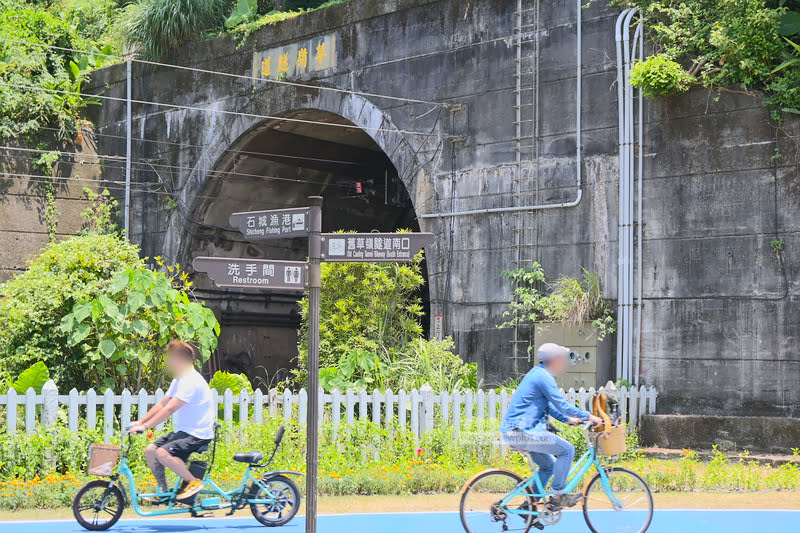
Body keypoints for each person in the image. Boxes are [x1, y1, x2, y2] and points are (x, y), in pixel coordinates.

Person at [500, 343, 603, 509]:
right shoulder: (544, 377)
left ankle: (528, 506)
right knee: (567, 450)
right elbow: (561, 404)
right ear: (554, 360)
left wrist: (568, 419)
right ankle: (558, 496)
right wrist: (588, 416)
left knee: (548, 467)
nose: (564, 364)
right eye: (562, 360)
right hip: (524, 431)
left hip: (515, 431)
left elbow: (550, 406)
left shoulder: (537, 374)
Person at [129, 341, 214, 501]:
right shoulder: (179, 379)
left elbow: (169, 409)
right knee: (151, 451)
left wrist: (146, 426)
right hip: (184, 431)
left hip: (198, 433)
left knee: (162, 453)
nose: (167, 362)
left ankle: (193, 482)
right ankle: (163, 491)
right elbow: (163, 403)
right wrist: (140, 422)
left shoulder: (191, 381)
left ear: (180, 359)